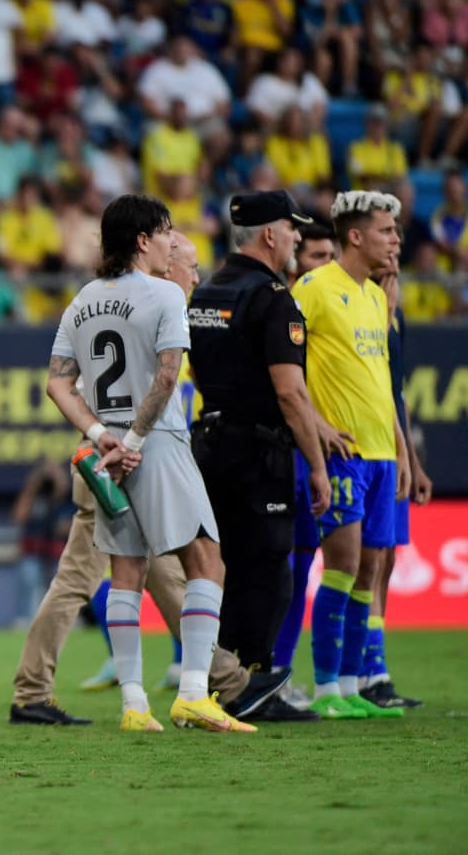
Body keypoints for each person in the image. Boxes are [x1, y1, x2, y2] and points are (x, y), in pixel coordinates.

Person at [10, 233, 283, 728]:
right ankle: (218, 681)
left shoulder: (104, 304)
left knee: (152, 573)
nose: (195, 276)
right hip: (129, 459)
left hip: (108, 453)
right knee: (111, 575)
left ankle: (190, 686)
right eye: (189, 265)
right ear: (163, 264)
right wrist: (128, 443)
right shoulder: (157, 303)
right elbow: (157, 384)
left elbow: (68, 380)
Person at [46, 193, 248, 734]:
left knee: (126, 573)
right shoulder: (163, 294)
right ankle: (192, 694)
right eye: (165, 232)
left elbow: (58, 384)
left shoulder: (82, 299)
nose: (170, 242)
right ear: (142, 240)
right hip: (153, 442)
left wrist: (101, 436)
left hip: (106, 450)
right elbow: (167, 375)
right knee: (207, 559)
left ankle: (134, 705)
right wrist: (134, 438)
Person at [187, 191, 331, 723]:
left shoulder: (204, 293)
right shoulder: (272, 298)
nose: (297, 237)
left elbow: (198, 371)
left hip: (211, 444)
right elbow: (292, 394)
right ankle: (252, 685)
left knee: (217, 566)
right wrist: (316, 465)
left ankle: (208, 684)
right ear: (270, 235)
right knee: (267, 568)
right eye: (292, 229)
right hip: (259, 453)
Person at [292, 190, 410, 720]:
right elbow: (284, 364)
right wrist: (316, 425)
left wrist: (402, 451)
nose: (396, 240)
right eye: (387, 230)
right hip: (343, 453)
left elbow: (381, 382)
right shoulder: (314, 288)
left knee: (371, 568)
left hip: (382, 453)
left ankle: (351, 683)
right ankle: (324, 688)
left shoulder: (372, 297)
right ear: (356, 236)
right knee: (340, 567)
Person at [359, 245, 430, 710]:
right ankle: (362, 668)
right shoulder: (362, 305)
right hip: (363, 449)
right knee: (366, 561)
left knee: (383, 559)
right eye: (386, 236)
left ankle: (375, 666)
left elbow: (394, 392)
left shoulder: (391, 311)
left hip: (392, 449)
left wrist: (413, 459)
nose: (395, 248)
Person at [272, 221, 335, 705]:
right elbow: (289, 388)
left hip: (316, 449)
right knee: (275, 565)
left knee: (301, 560)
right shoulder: (288, 307)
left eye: (329, 256)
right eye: (315, 256)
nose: (324, 266)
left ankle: (280, 668)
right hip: (286, 449)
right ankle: (258, 666)